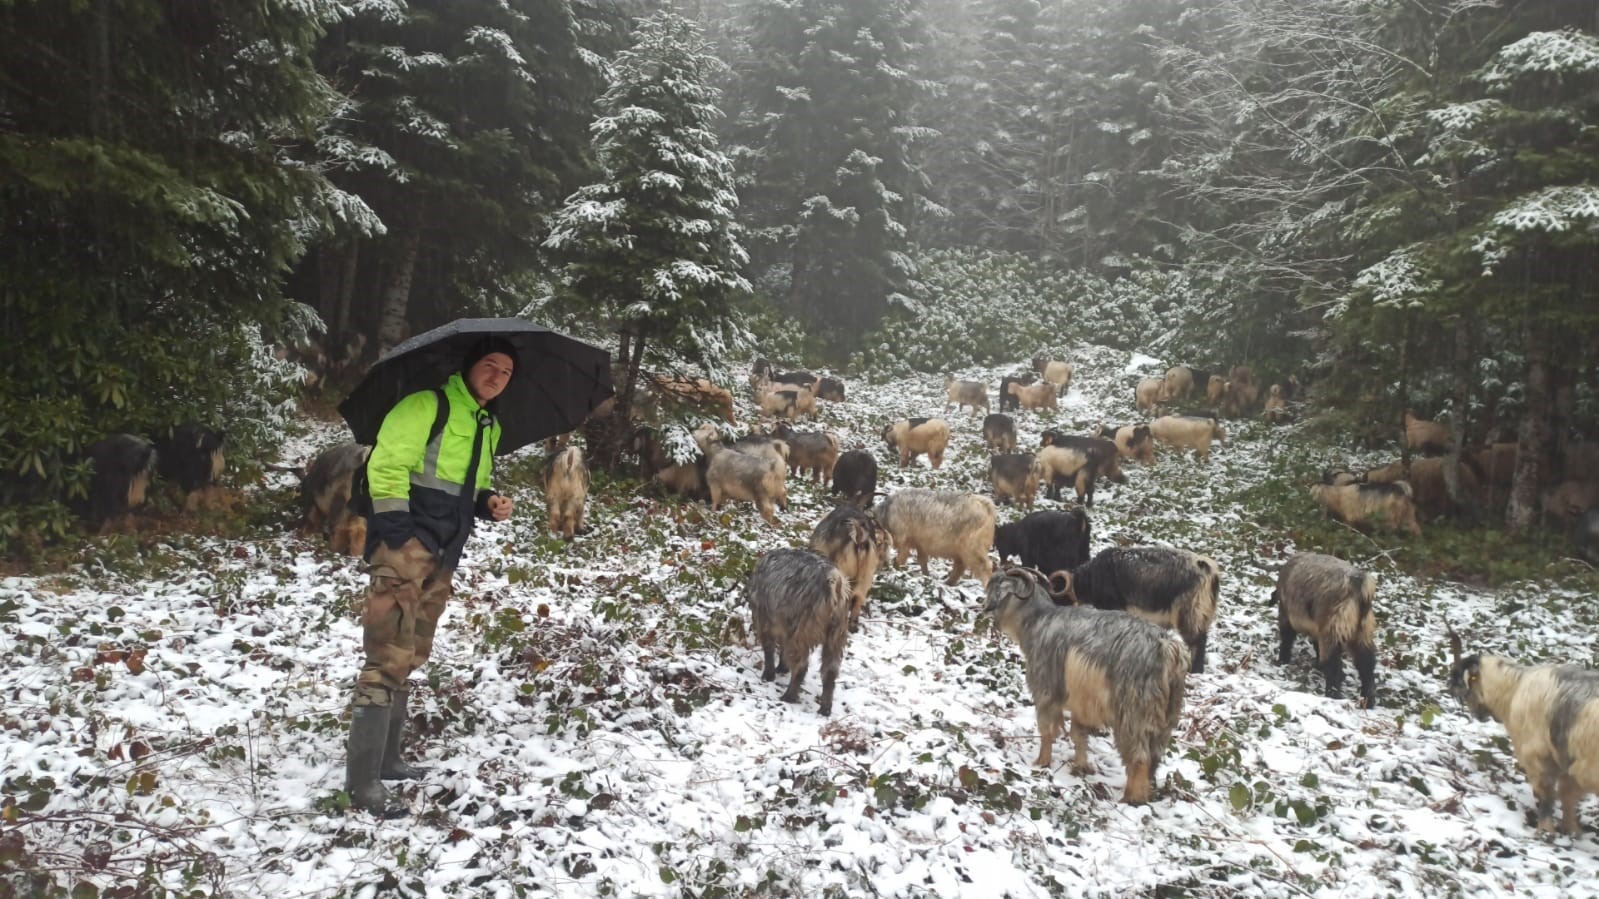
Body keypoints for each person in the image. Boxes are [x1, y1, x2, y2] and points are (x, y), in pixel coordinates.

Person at [345, 338, 517, 816]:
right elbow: (387, 466)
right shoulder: (426, 405)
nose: (498, 376)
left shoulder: (488, 425)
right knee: (386, 654)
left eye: (506, 371)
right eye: (490, 365)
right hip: (407, 548)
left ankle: (389, 760)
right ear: (469, 367)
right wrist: (400, 537)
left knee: (412, 652)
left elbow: (469, 484)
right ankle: (362, 783)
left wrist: (490, 502)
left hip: (445, 554)